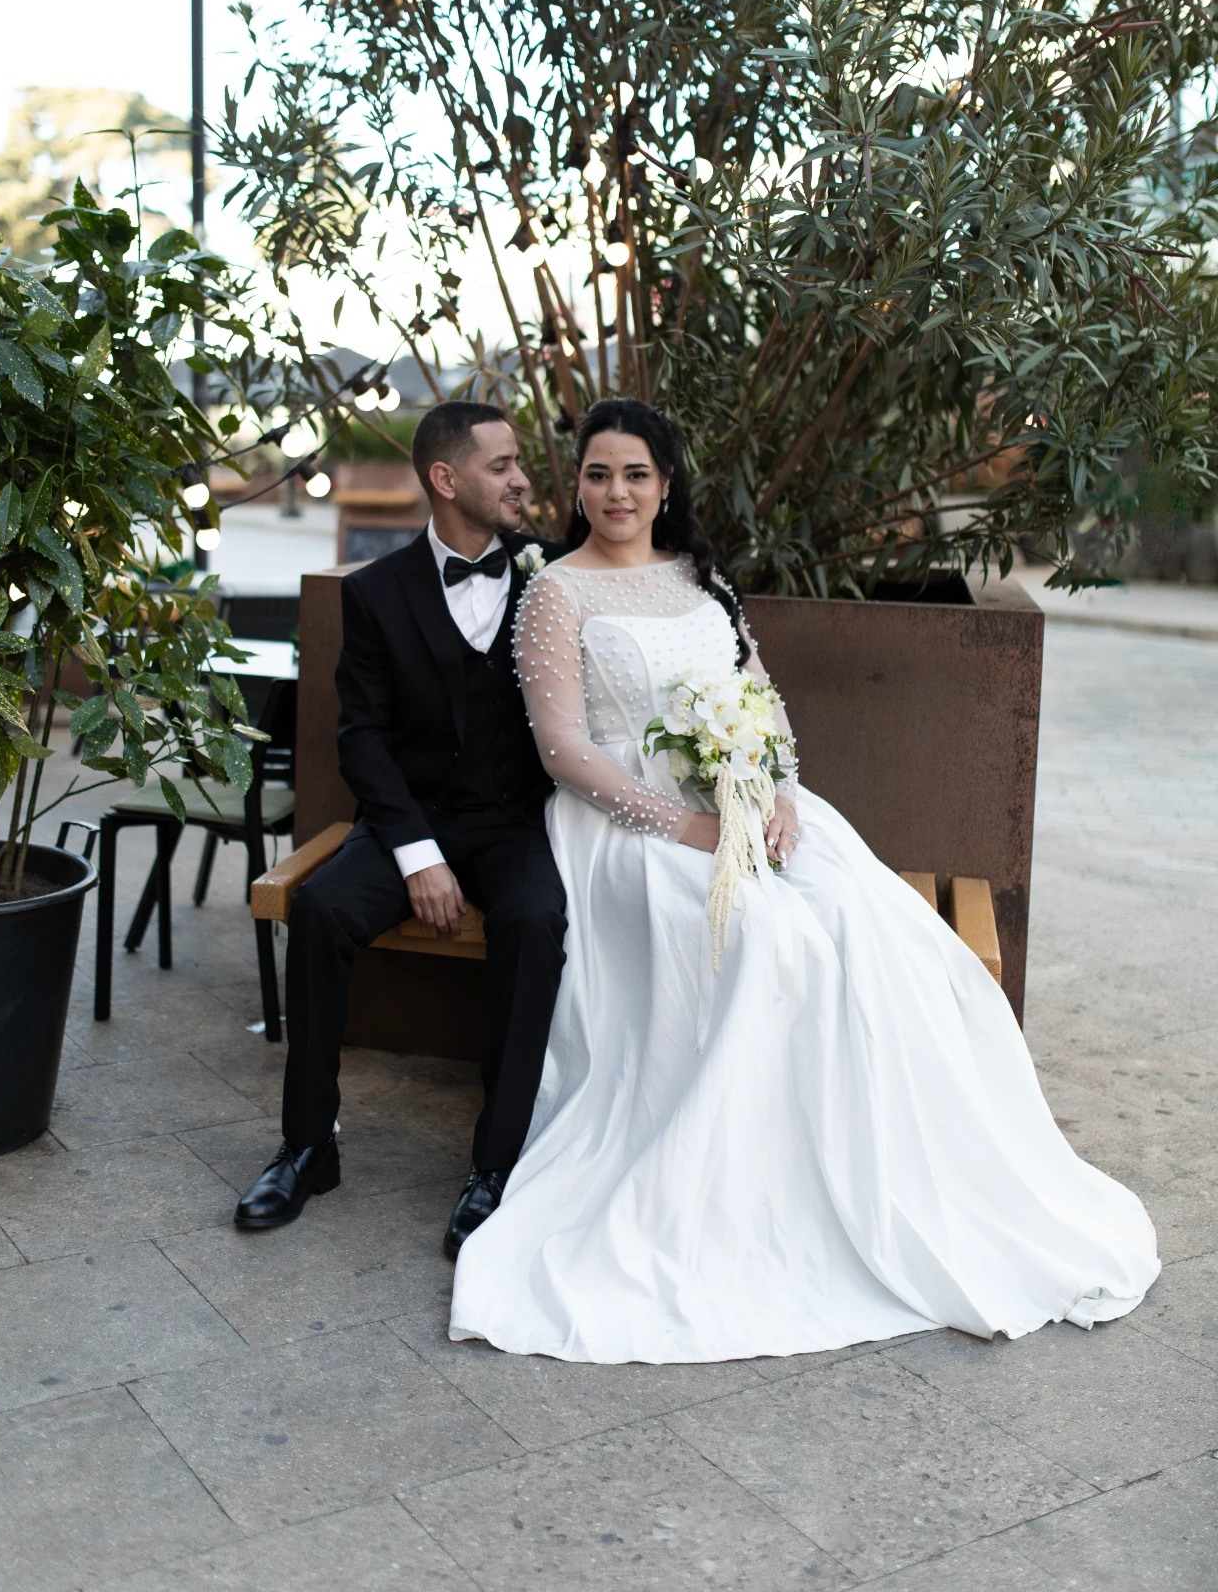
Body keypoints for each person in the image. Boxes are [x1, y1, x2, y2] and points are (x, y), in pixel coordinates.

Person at [449, 398, 1159, 1362]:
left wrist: (775, 789)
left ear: (667, 485)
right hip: (626, 826)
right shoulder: (556, 593)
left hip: (745, 805)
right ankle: (755, 1193)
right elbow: (565, 751)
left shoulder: (702, 580)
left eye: (638, 474)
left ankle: (897, 1176)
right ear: (577, 484)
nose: (618, 493)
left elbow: (760, 704)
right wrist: (691, 827)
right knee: (767, 940)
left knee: (884, 933)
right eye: (599, 474)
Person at [234, 402, 568, 1258]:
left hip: (511, 824)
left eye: (519, 463)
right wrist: (417, 853)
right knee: (319, 911)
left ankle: (496, 1167)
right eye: (502, 465)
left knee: (534, 922)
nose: (522, 478)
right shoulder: (376, 594)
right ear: (446, 480)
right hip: (404, 823)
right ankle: (308, 1146)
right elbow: (362, 739)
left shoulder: (554, 579)